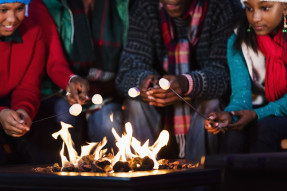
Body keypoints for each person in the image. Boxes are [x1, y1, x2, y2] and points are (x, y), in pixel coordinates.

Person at [115, 0, 242, 161]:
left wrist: (186, 83)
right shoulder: (146, 7)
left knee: (210, 105)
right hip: (161, 112)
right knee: (136, 103)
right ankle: (145, 171)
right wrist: (146, 83)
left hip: (202, 104)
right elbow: (127, 71)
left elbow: (225, 73)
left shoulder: (222, 7)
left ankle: (197, 179)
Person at [41, 0, 130, 154]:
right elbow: (53, 63)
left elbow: (130, 62)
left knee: (109, 122)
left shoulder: (120, 5)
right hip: (60, 91)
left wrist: (99, 89)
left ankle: (109, 173)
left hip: (107, 92)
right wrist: (69, 84)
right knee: (66, 117)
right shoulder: (54, 5)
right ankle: (69, 175)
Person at [205, 0, 287, 154]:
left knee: (265, 128)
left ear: (285, 7)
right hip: (263, 112)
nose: (255, 18)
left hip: (273, 114)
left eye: (265, 8)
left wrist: (257, 114)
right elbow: (241, 93)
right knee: (232, 132)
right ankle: (226, 178)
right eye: (249, 8)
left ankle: (261, 179)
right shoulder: (239, 40)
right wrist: (231, 115)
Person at [0, 0, 45, 164]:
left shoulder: (33, 32)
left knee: (41, 155)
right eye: (3, 10)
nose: (12, 19)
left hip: (9, 104)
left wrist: (23, 110)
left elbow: (28, 85)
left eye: (19, 8)